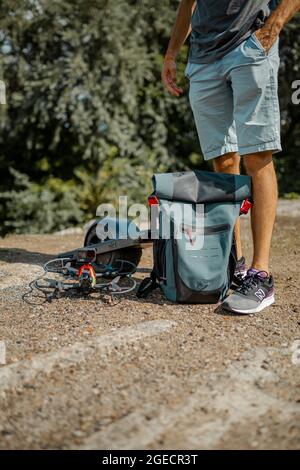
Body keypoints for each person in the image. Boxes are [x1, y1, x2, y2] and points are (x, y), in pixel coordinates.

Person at [162, 0, 300, 314]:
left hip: (250, 46)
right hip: (202, 58)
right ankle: (232, 262)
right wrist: (171, 54)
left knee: (256, 155)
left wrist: (272, 28)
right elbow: (188, 3)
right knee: (223, 160)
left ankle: (260, 274)